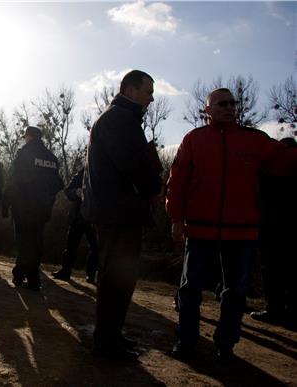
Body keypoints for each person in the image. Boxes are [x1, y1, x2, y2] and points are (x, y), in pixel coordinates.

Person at [166, 88, 297, 362]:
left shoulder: (255, 140)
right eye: (221, 103)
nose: (228, 107)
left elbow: (285, 162)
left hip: (242, 229)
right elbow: (177, 182)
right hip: (200, 228)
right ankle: (186, 341)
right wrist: (176, 219)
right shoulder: (194, 140)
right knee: (190, 289)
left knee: (235, 292)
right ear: (207, 110)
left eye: (232, 103)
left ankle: (226, 344)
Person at [82, 70, 163, 361]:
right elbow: (131, 163)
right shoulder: (119, 119)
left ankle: (111, 336)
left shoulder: (121, 118)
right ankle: (106, 343)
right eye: (148, 91)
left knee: (119, 278)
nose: (151, 98)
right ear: (130, 90)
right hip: (118, 211)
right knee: (117, 278)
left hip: (118, 209)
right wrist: (154, 187)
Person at [3, 126, 63, 291]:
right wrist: (46, 196)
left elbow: (14, 180)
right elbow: (59, 183)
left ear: (29, 137)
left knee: (24, 242)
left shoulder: (25, 154)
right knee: (36, 241)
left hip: (24, 206)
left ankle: (32, 279)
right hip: (42, 208)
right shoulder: (51, 158)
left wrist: (6, 202)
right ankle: (20, 273)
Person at [250, 137, 297, 326]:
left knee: (272, 267)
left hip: (270, 223)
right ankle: (292, 312)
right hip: (286, 224)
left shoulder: (267, 166)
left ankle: (275, 309)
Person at [51, 167, 98, 284]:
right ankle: (65, 272)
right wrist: (77, 192)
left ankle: (91, 275)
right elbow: (68, 191)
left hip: (94, 217)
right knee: (71, 245)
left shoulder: (104, 172)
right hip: (78, 216)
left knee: (96, 247)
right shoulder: (82, 173)